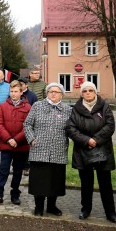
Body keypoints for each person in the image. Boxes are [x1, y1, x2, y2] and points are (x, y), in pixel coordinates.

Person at [66, 81, 116, 223]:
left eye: (91, 90)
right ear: (81, 93)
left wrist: (95, 139)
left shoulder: (105, 106)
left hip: (103, 149)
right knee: (86, 183)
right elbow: (71, 128)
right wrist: (86, 140)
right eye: (85, 91)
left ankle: (110, 212)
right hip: (83, 150)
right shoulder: (76, 109)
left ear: (95, 92)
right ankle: (86, 209)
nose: (88, 93)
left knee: (105, 184)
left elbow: (110, 125)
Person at [24, 82, 72, 216]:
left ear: (61, 94)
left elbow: (71, 128)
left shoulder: (67, 109)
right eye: (51, 91)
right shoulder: (37, 106)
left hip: (58, 149)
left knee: (55, 180)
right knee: (39, 180)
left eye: (56, 92)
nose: (53, 94)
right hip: (39, 149)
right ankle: (38, 207)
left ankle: (52, 206)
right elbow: (27, 124)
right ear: (47, 93)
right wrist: (32, 139)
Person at [0, 81, 31, 206]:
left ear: (21, 92)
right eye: (11, 91)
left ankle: (15, 194)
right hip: (6, 145)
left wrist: (17, 140)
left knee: (17, 171)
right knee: (3, 170)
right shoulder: (3, 106)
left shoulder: (28, 108)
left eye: (16, 91)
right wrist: (9, 139)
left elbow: (28, 126)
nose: (13, 94)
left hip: (21, 146)